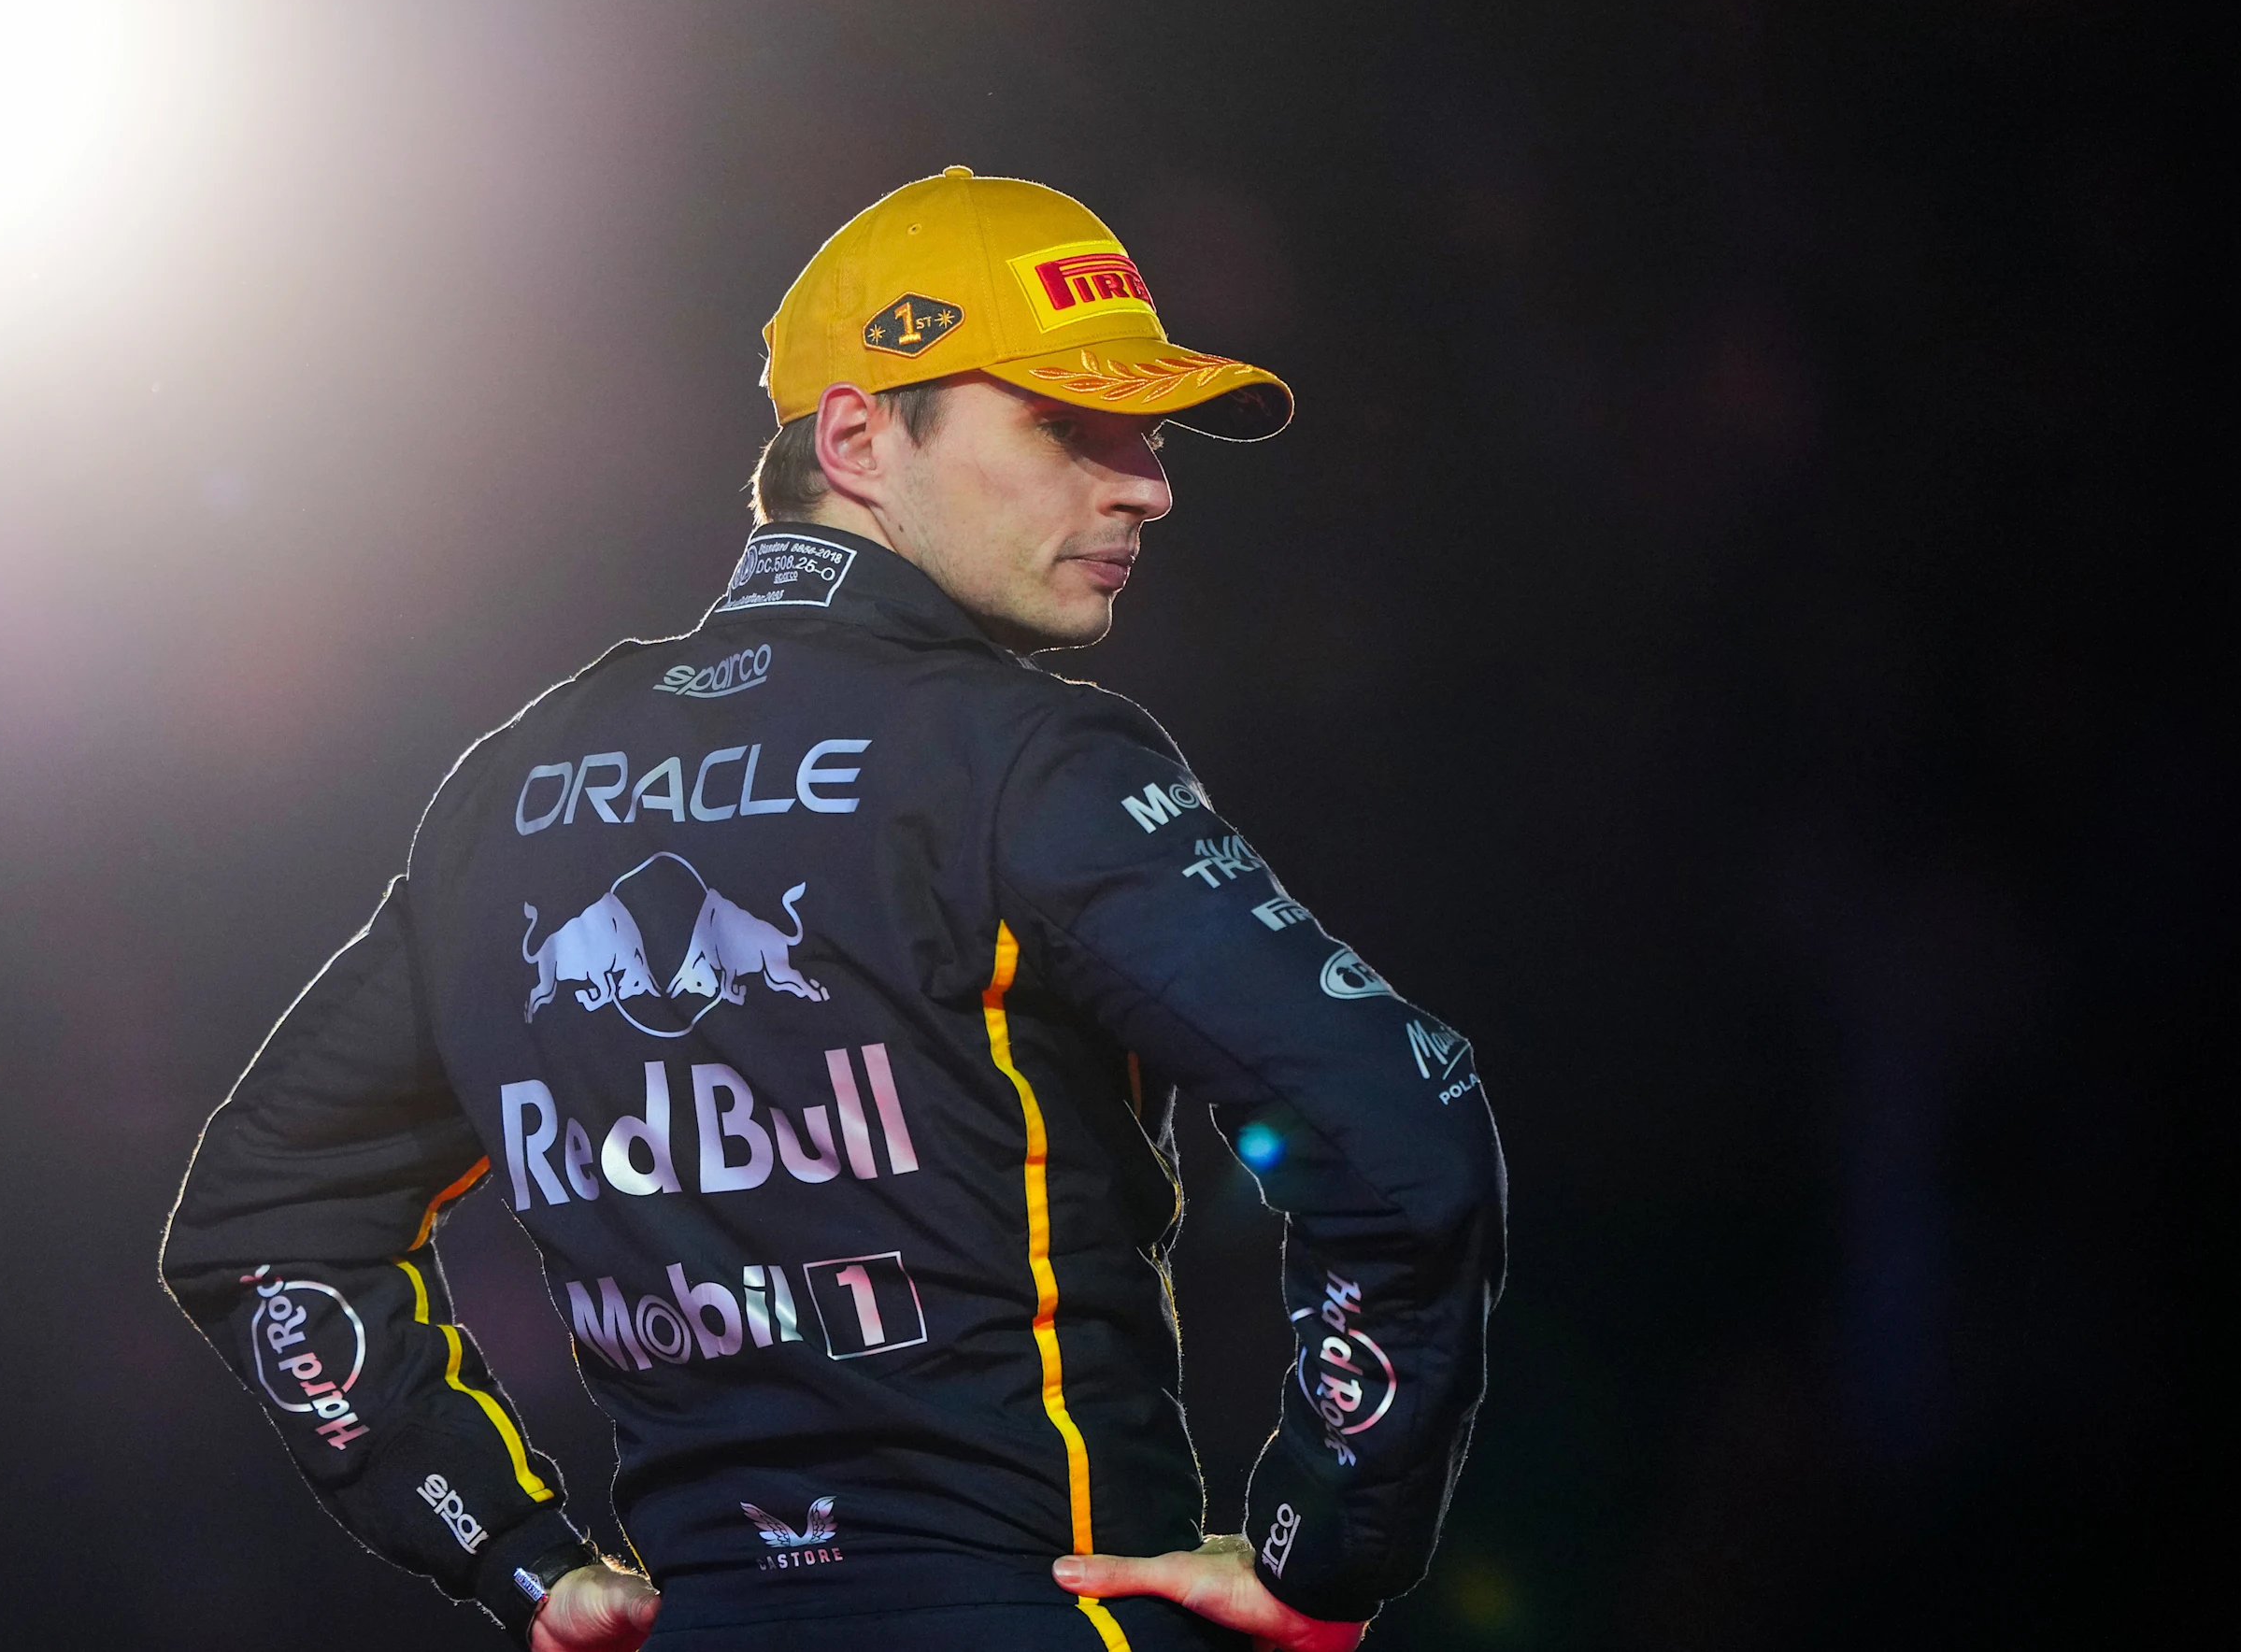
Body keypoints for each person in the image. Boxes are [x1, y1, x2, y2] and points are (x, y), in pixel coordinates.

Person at [162, 167, 1506, 1652]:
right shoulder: (1018, 757)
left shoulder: (512, 786)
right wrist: (1327, 1546)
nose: (1146, 483)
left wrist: (519, 1561)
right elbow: (1403, 1130)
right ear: (859, 434)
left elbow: (263, 1226)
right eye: (1067, 426)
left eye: (1150, 432)